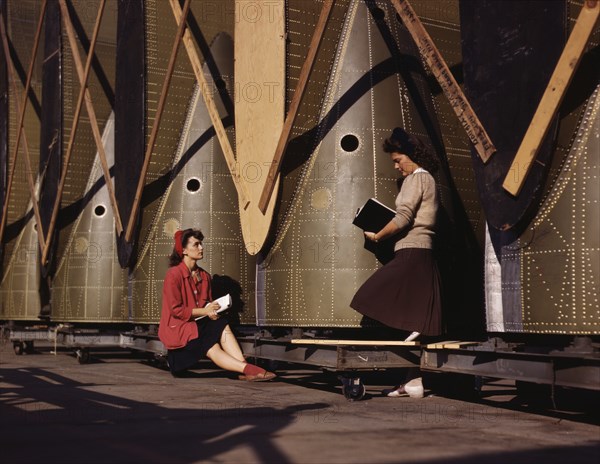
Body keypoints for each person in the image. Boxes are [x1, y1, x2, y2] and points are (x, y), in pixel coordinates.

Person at [350, 127, 442, 397]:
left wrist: (376, 234)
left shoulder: (417, 178)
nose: (396, 166)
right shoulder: (429, 180)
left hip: (412, 253)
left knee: (367, 296)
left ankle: (414, 330)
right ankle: (413, 381)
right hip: (419, 253)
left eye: (398, 160)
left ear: (412, 155)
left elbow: (403, 217)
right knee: (410, 317)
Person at [158, 228, 276, 381]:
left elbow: (205, 304)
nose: (201, 248)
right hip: (181, 337)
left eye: (201, 244)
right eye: (196, 245)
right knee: (210, 345)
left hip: (196, 328)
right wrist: (205, 311)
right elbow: (176, 311)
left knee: (221, 323)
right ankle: (248, 369)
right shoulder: (173, 275)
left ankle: (245, 368)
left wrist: (212, 310)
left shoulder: (205, 276)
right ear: (184, 250)